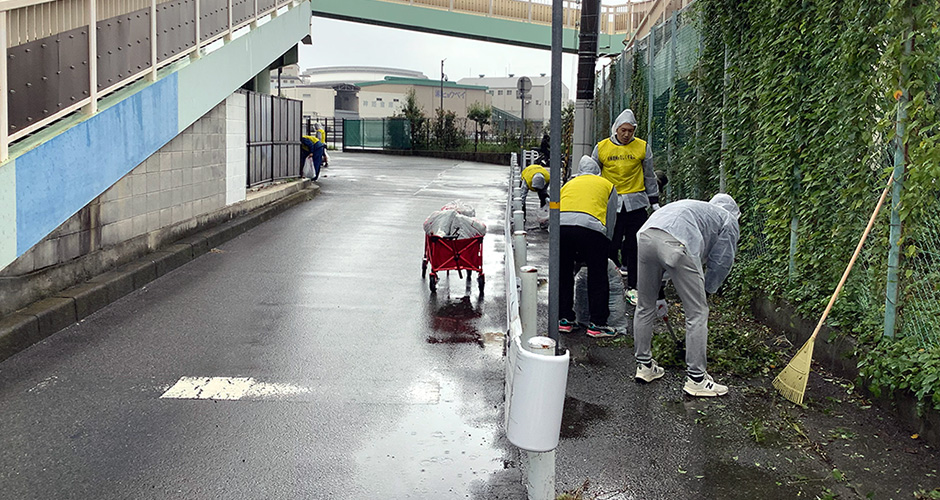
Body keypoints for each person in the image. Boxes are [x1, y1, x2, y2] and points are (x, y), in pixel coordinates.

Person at [632, 193, 740, 397]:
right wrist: (707, 290)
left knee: (645, 305)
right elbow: (721, 261)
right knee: (697, 313)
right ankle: (697, 379)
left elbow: (661, 245)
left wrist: (660, 294)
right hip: (679, 241)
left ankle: (644, 366)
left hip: (646, 236)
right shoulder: (728, 219)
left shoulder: (696, 207)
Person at [592, 109, 659, 306]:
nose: (627, 134)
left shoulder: (642, 148)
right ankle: (611, 281)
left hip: (636, 202)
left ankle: (634, 286)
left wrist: (653, 199)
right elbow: (593, 174)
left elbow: (649, 175)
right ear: (616, 129)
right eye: (623, 130)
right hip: (612, 202)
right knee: (611, 243)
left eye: (631, 131)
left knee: (636, 244)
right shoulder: (602, 148)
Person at [558, 156, 619, 338]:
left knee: (564, 273)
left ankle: (564, 319)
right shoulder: (607, 184)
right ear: (597, 171)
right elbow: (610, 217)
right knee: (597, 275)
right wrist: (607, 243)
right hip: (592, 229)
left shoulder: (569, 184)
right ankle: (597, 324)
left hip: (562, 227)